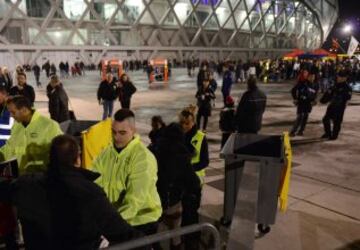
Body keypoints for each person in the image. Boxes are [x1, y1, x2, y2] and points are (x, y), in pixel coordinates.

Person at [0, 135, 140, 250]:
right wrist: (146, 243)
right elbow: (119, 231)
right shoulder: (89, 192)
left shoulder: (24, 184)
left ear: (50, 159)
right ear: (78, 159)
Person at [91, 109, 162, 239]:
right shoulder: (106, 154)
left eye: (122, 133)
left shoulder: (143, 158)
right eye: (113, 132)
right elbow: (95, 186)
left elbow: (134, 201)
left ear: (133, 131)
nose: (116, 137)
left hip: (141, 220)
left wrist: (110, 225)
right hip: (116, 217)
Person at [152, 123, 201, 250]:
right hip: (172, 203)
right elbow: (194, 183)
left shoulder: (153, 151)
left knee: (155, 236)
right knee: (175, 232)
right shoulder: (181, 157)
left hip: (153, 202)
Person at [0, 95, 63, 174]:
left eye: (13, 112)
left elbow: (62, 154)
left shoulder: (50, 126)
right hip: (21, 179)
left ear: (24, 110)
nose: (11, 116)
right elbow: (9, 148)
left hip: (43, 180)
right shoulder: (16, 126)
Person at [178, 107, 209, 250]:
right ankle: (184, 236)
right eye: (182, 123)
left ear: (193, 122)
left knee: (192, 211)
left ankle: (193, 239)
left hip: (195, 181)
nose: (184, 126)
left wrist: (189, 169)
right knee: (183, 211)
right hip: (180, 181)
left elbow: (205, 161)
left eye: (187, 123)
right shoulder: (178, 136)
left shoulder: (201, 137)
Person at [320, 70, 352, 140]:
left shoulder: (347, 87)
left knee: (337, 122)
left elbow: (347, 99)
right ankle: (328, 133)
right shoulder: (335, 85)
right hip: (332, 106)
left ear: (344, 78)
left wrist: (343, 107)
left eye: (340, 77)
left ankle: (334, 135)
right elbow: (329, 94)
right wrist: (323, 100)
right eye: (338, 76)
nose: (338, 78)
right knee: (325, 119)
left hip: (339, 108)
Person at [290, 70, 317, 137]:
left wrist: (314, 101)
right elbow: (293, 90)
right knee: (300, 116)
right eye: (310, 77)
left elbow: (315, 94)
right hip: (301, 102)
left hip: (308, 104)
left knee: (305, 117)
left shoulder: (315, 85)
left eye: (313, 77)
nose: (312, 78)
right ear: (307, 77)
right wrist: (295, 99)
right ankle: (293, 131)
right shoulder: (302, 83)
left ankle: (301, 131)